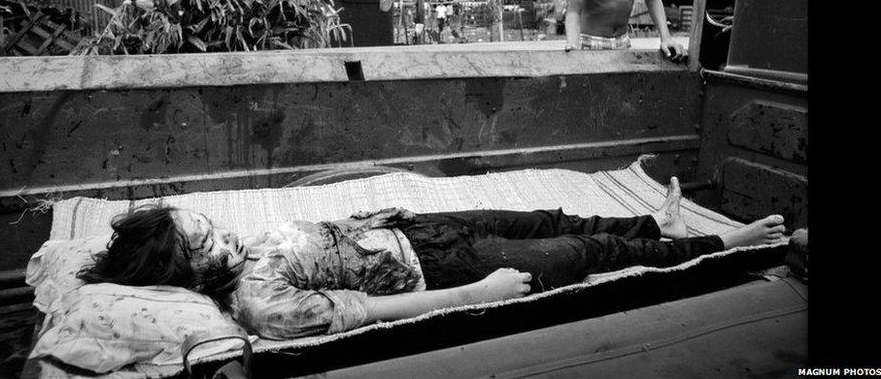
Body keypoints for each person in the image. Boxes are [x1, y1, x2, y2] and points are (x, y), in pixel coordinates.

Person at [78, 178, 786, 340]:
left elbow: (327, 236)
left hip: (416, 226)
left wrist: (388, 215)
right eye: (208, 241)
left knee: (552, 216)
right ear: (186, 273)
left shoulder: (240, 258)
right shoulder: (260, 303)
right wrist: (477, 290)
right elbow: (370, 311)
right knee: (582, 252)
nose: (224, 235)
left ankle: (652, 219)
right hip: (441, 268)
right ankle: (718, 244)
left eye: (210, 225)